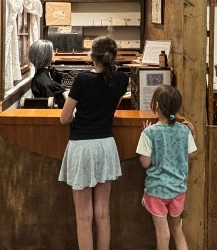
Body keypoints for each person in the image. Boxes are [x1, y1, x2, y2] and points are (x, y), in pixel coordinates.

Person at [59, 36, 130, 250]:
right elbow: (112, 107)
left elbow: (64, 118)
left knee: (83, 216)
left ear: (92, 56)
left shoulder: (81, 80)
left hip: (82, 146)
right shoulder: (121, 79)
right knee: (103, 213)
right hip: (106, 145)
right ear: (114, 56)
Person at [136, 85, 197, 250]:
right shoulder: (184, 131)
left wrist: (144, 143)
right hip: (178, 189)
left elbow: (145, 163)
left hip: (156, 190)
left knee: (162, 233)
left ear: (156, 106)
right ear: (177, 107)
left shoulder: (149, 133)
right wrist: (193, 134)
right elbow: (191, 155)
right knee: (177, 229)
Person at [28, 39, 66, 108]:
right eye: (52, 51)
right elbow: (52, 106)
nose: (54, 53)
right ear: (45, 55)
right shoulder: (44, 82)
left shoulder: (42, 76)